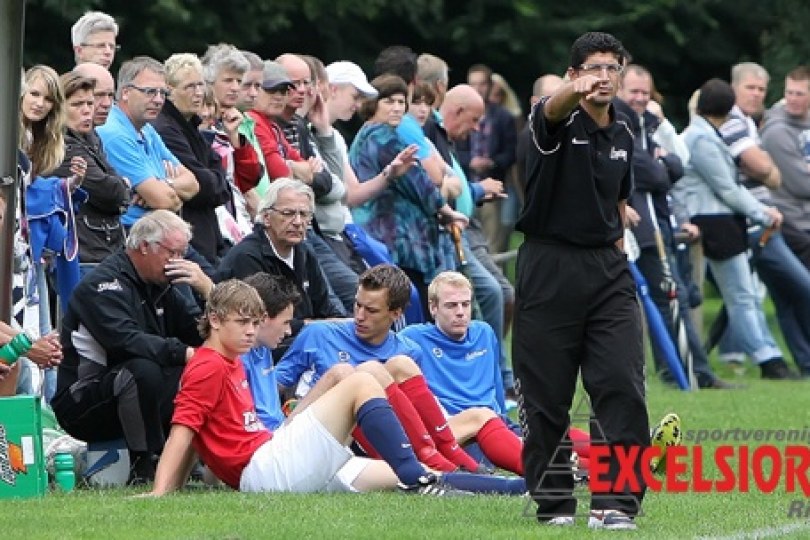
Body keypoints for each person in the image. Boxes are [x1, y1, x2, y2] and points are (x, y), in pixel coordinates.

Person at [146, 278, 460, 496]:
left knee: (408, 474)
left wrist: (176, 486)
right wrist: (161, 491)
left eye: (255, 324)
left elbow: (195, 434)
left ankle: (497, 486)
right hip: (264, 467)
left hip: (271, 454)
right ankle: (420, 476)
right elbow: (184, 429)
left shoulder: (231, 359)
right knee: (361, 378)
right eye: (243, 323)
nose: (251, 332)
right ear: (215, 321)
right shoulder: (208, 363)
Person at [514, 32, 648, 530]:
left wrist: (617, 255)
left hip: (607, 269)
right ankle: (554, 505)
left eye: (613, 68)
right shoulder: (550, 120)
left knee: (621, 384)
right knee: (546, 396)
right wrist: (576, 89)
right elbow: (548, 107)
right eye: (593, 68)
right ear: (572, 75)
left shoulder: (626, 128)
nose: (604, 77)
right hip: (549, 266)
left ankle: (618, 503)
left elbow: (619, 198)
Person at [51, 210, 212, 483]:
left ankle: (198, 456)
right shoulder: (102, 284)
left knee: (205, 368)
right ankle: (145, 466)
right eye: (173, 253)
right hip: (82, 401)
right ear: (144, 247)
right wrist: (184, 353)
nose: (178, 262)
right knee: (143, 369)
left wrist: (207, 289)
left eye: (183, 254)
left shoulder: (165, 284)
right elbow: (126, 342)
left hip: (135, 391)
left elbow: (199, 333)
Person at [274, 264, 483, 473]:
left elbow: (414, 413)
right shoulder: (320, 334)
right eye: (357, 305)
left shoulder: (408, 351)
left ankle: (457, 463)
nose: (359, 316)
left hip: (386, 439)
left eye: (371, 310)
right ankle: (437, 462)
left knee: (481, 415)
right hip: (327, 435)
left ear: (396, 313)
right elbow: (275, 384)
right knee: (354, 373)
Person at [674, 78, 795, 379]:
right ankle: (768, 360)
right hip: (714, 222)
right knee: (741, 295)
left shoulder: (704, 135)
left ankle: (767, 355)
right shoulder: (701, 140)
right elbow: (726, 188)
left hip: (723, 221)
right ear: (728, 109)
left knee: (746, 294)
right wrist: (763, 214)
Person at [348, 74, 466, 316]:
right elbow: (419, 183)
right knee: (410, 313)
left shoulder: (366, 133)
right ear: (373, 103)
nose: (397, 108)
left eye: (402, 102)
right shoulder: (383, 136)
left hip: (385, 237)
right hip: (397, 238)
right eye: (389, 101)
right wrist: (446, 211)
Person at [215, 178, 347, 344]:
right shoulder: (246, 257)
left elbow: (325, 308)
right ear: (266, 217)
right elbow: (262, 323)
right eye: (288, 213)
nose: (298, 222)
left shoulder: (304, 252)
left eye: (304, 214)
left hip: (305, 341)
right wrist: (315, 326)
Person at [97, 56, 199, 228]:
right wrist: (165, 193)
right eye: (150, 92)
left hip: (157, 231)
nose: (159, 100)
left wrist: (164, 184)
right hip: (131, 236)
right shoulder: (115, 133)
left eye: (163, 93)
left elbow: (193, 184)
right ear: (125, 92)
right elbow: (166, 201)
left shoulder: (147, 129)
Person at [153, 53, 232, 264]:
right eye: (189, 87)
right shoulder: (165, 128)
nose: (198, 93)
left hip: (207, 234)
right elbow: (203, 186)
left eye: (200, 85)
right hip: (188, 236)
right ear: (169, 90)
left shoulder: (192, 126)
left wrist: (215, 181)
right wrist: (215, 181)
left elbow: (220, 180)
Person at [52, 72, 129, 265]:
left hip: (104, 245)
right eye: (77, 105)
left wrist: (121, 187)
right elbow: (110, 191)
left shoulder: (91, 137)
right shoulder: (62, 146)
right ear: (59, 108)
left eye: (89, 103)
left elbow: (113, 183)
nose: (87, 110)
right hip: (84, 253)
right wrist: (124, 186)